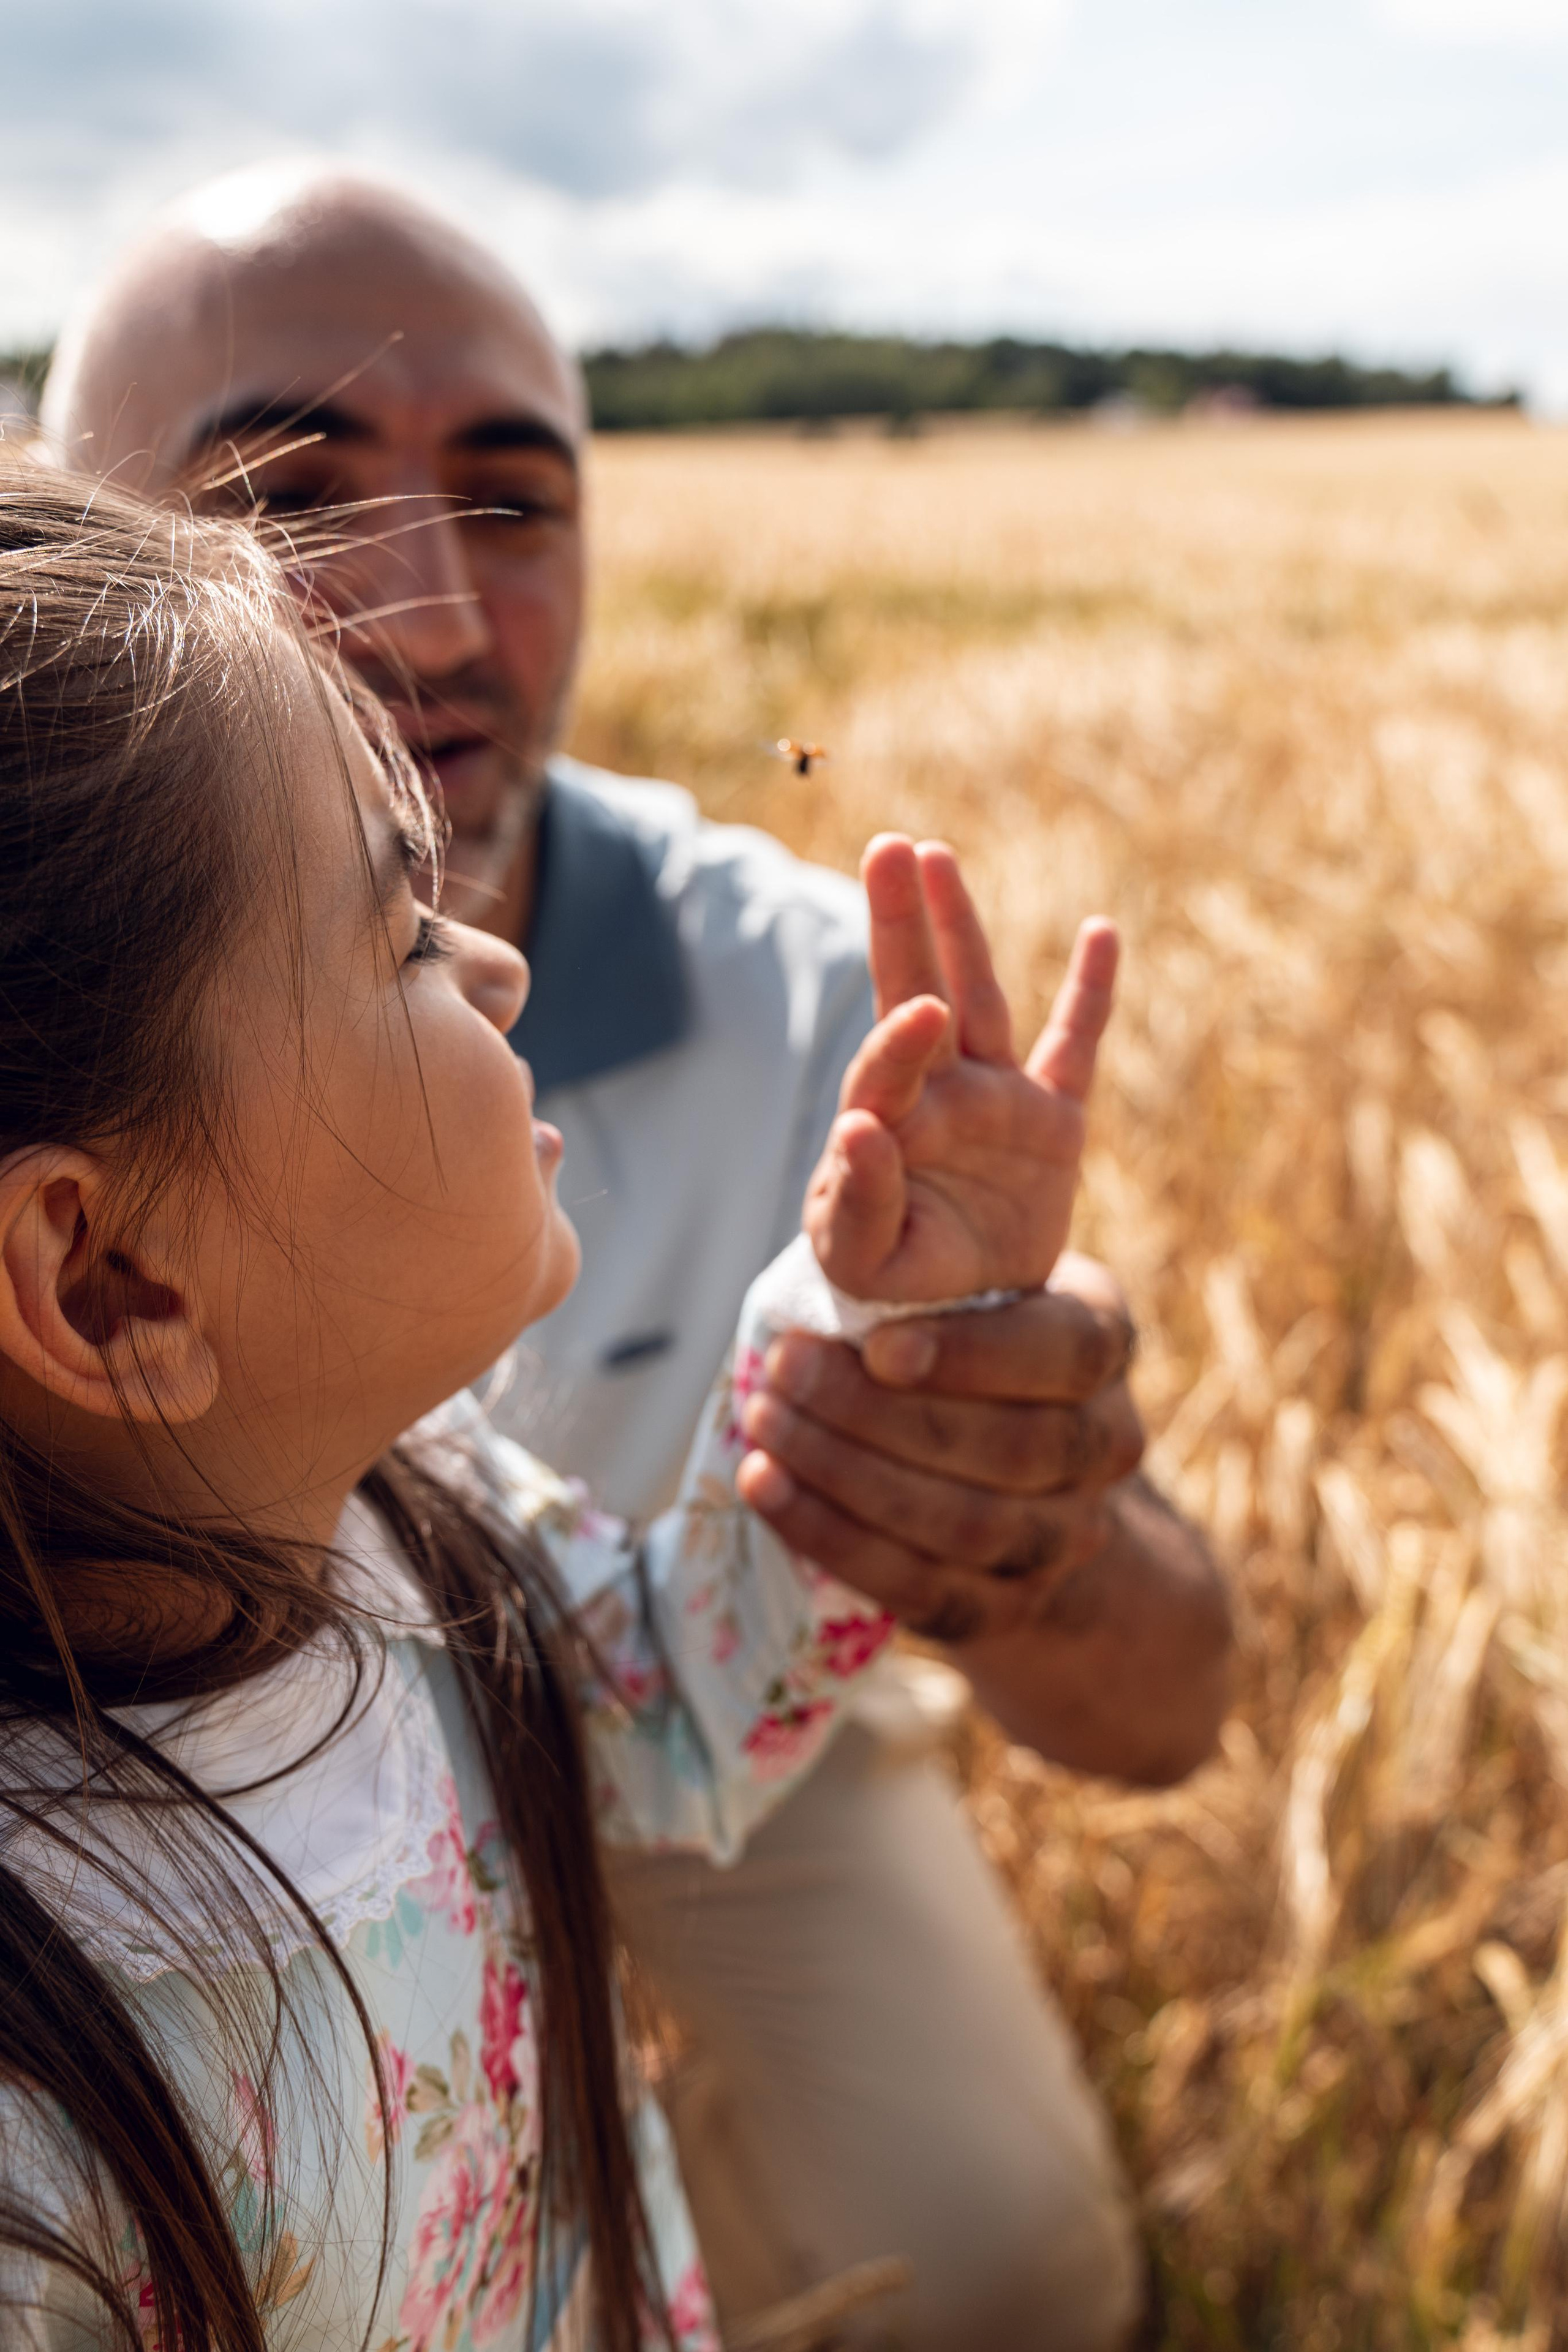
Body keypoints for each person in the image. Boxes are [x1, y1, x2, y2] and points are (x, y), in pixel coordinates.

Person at [40, 169, 1232, 2350]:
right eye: (285, 503)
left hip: (599, 1710)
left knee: (1002, 2261)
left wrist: (962, 1429)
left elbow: (1113, 1692)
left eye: (512, 502)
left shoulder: (793, 993)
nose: (418, 615)